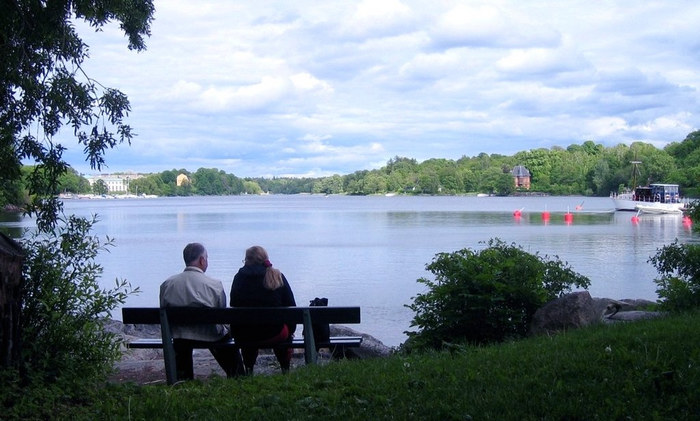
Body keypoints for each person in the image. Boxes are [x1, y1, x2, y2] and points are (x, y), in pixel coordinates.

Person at [160, 242, 243, 380]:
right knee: (224, 337)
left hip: (180, 335)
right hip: (209, 334)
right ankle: (237, 374)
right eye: (206, 258)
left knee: (182, 344)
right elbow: (221, 313)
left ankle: (183, 379)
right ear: (202, 260)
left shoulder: (167, 284)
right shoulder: (214, 285)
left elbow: (163, 310)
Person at [230, 245, 297, 374]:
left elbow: (234, 304)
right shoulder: (277, 276)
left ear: (247, 260)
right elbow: (291, 307)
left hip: (246, 335)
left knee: (247, 330)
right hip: (275, 334)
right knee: (282, 331)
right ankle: (285, 368)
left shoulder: (239, 278)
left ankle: (249, 368)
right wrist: (291, 331)